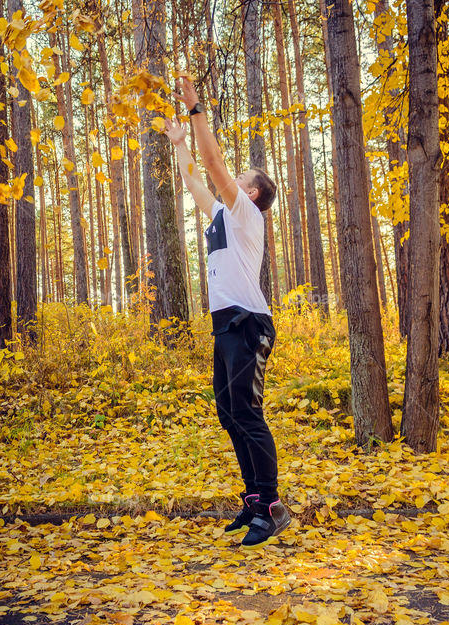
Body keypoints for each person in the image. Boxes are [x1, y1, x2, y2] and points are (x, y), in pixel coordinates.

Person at [163, 77, 290, 549]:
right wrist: (180, 144)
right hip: (225, 326)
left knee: (248, 412)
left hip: (248, 323)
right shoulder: (222, 215)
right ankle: (254, 500)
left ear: (252, 194)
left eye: (241, 178)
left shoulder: (246, 214)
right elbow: (195, 180)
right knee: (229, 413)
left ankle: (273, 508)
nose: (232, 180)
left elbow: (213, 164)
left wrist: (196, 111)